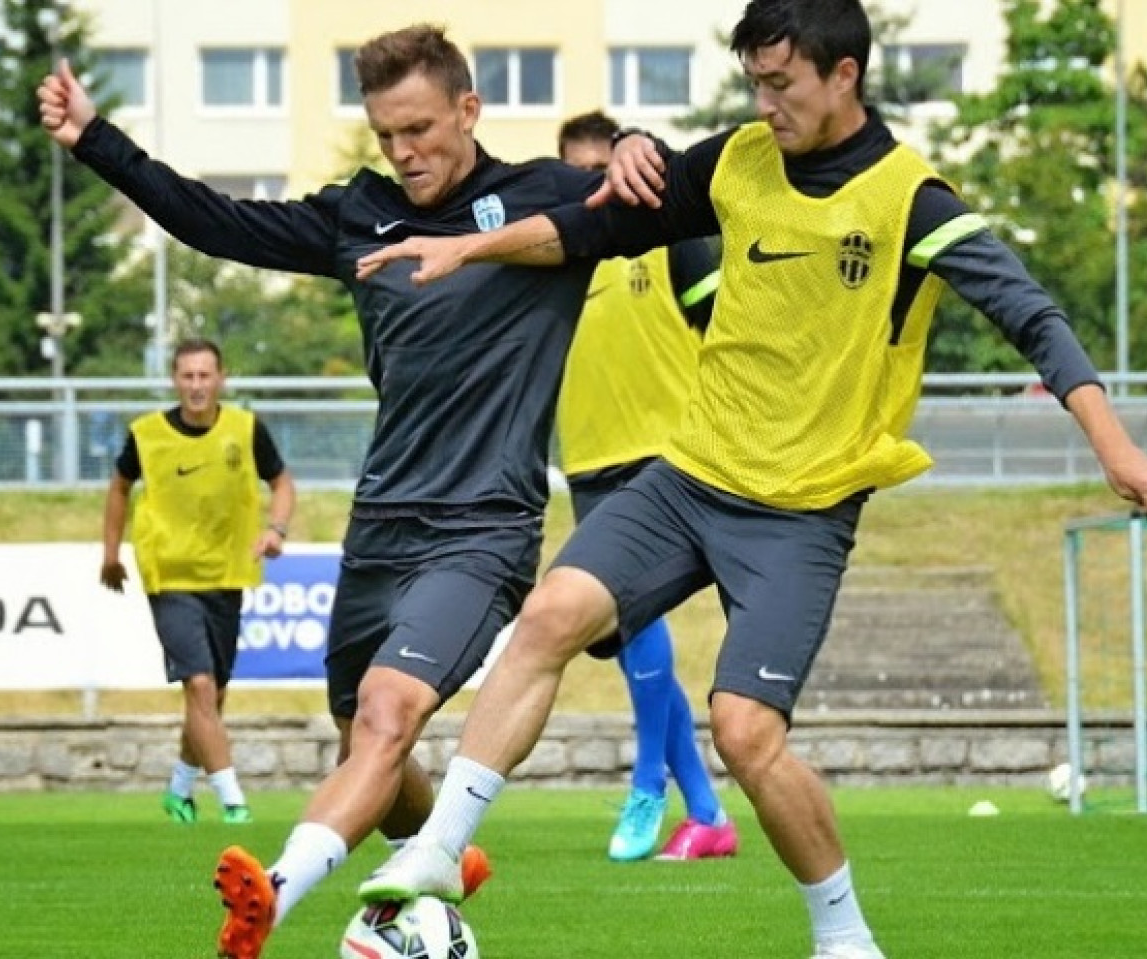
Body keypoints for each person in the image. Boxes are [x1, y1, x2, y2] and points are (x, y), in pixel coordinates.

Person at [353, 1, 1147, 957]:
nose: (764, 103)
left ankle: (846, 936)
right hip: (688, 476)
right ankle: (438, 853)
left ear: (844, 77)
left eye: (781, 84)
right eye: (754, 81)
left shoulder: (912, 199)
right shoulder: (739, 158)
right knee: (547, 616)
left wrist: (1115, 447)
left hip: (802, 510)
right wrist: (471, 242)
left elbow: (1035, 319)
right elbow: (594, 228)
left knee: (744, 732)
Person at [40, 24, 610, 959]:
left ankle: (274, 891)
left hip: (482, 526)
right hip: (380, 525)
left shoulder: (546, 197)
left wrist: (636, 149)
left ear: (469, 109)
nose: (403, 152)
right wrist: (99, 139)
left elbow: (661, 201)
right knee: (363, 736)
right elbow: (215, 220)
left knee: (388, 713)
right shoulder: (363, 214)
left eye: (420, 128)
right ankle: (446, 863)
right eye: (386, 134)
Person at [555, 110, 737, 862]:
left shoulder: (673, 241)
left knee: (635, 627)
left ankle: (646, 787)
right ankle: (707, 811)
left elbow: (732, 331)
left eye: (606, 170)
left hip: (666, 455)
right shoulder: (561, 254)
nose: (597, 187)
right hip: (588, 462)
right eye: (579, 175)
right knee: (631, 643)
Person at [100, 337, 295, 826]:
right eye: (187, 376)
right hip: (169, 576)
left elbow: (283, 484)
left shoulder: (245, 429)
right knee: (200, 684)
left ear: (221, 378)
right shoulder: (146, 434)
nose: (196, 386)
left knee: (213, 694)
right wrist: (110, 553)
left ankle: (179, 789)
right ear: (174, 379)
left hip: (227, 574)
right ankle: (234, 801)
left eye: (205, 375)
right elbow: (119, 487)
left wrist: (276, 529)